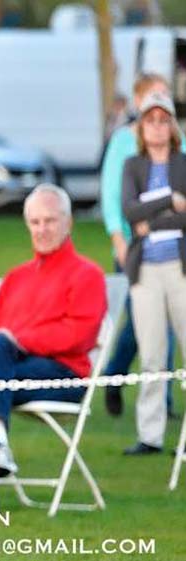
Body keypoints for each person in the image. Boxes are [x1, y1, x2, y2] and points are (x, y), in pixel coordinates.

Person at [0, 184, 107, 517]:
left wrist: (17, 339)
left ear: (68, 223)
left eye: (50, 221)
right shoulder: (16, 278)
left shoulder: (87, 274)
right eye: (35, 222)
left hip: (63, 375)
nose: (42, 229)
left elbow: (79, 334)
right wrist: (6, 342)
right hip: (13, 373)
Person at [100, 73, 181, 418]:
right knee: (141, 326)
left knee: (172, 326)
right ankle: (114, 376)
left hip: (176, 253)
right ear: (139, 101)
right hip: (135, 249)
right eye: (154, 94)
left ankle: (165, 402)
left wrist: (155, 219)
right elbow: (115, 198)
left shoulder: (178, 146)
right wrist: (120, 235)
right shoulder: (123, 143)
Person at [119, 91, 186, 456]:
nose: (157, 127)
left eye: (163, 120)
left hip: (180, 268)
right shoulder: (133, 165)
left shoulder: (183, 162)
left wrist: (153, 216)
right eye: (150, 120)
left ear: (172, 125)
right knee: (152, 353)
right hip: (145, 268)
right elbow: (130, 212)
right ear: (141, 127)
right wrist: (170, 202)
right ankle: (151, 434)